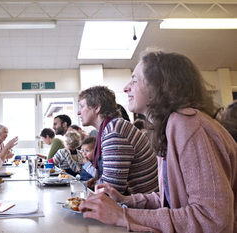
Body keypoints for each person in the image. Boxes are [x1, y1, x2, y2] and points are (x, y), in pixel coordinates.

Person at [80, 50, 237, 232]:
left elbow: (212, 219)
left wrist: (123, 215)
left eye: (135, 80)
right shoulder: (173, 124)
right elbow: (169, 200)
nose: (125, 88)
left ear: (161, 86)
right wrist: (125, 201)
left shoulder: (189, 124)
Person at [77, 86, 158, 194]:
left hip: (138, 207)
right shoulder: (113, 126)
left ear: (97, 108)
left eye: (82, 106)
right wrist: (98, 182)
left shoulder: (114, 131)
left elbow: (112, 188)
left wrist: (97, 184)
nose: (78, 112)